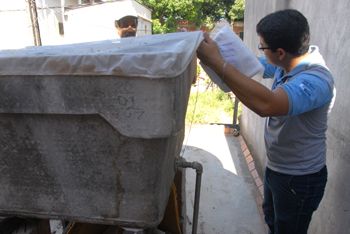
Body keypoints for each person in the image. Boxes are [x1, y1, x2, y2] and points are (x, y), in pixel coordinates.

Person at [197, 9, 335, 234]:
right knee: (273, 221)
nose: (260, 51)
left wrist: (219, 64)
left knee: (288, 229)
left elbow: (267, 105)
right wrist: (210, 47)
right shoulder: (289, 60)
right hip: (278, 168)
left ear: (280, 52)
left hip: (299, 179)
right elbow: (249, 64)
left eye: (262, 46)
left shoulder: (315, 80)